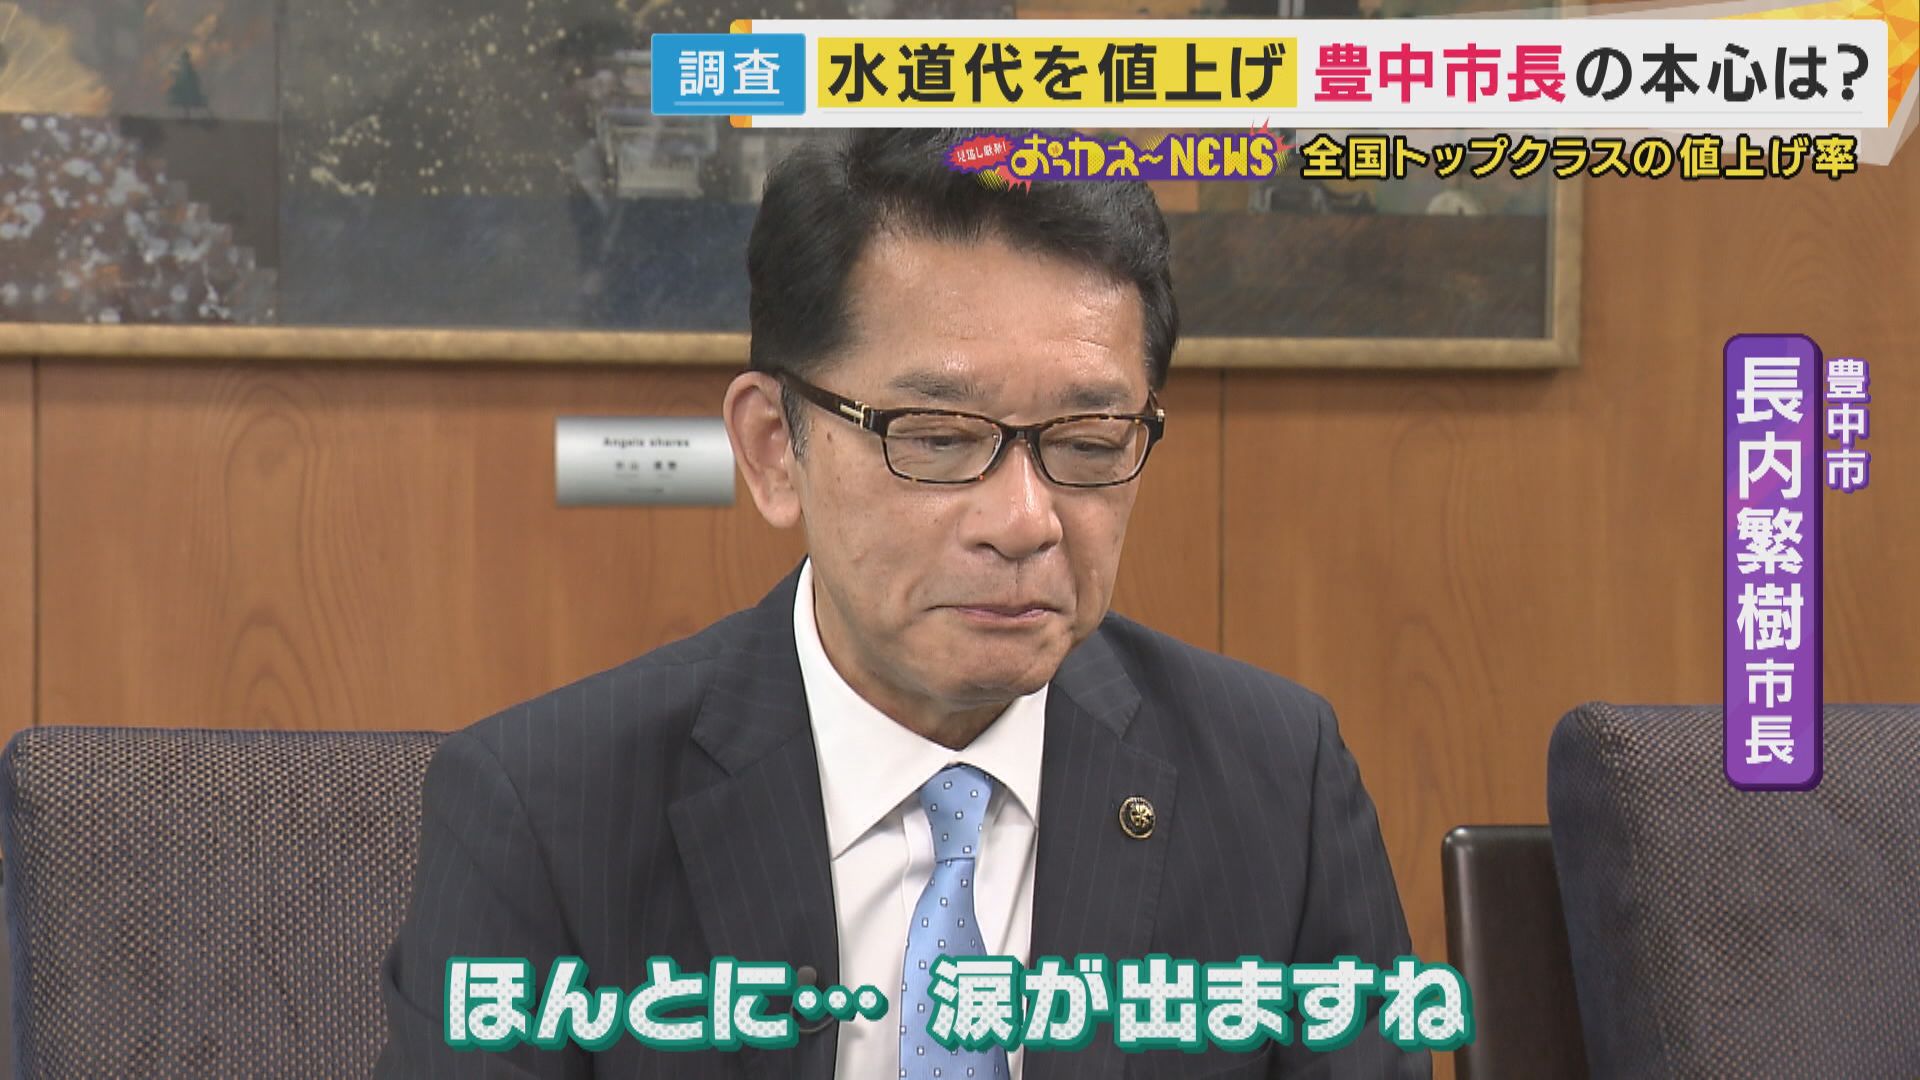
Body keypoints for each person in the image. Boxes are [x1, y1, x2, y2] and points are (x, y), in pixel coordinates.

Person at [375, 128, 1425, 1079]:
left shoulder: (1276, 782)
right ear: (774, 449)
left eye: (1088, 442)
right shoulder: (547, 810)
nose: (1024, 521)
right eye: (937, 438)